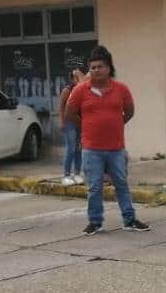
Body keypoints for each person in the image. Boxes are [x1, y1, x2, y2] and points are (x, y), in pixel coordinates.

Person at [64, 46, 150, 236]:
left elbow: (129, 111)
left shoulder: (121, 89)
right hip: (91, 148)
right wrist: (86, 125)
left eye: (100, 66)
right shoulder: (80, 90)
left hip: (116, 148)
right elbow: (69, 113)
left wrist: (116, 124)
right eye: (92, 67)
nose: (95, 70)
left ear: (109, 68)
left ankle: (129, 219)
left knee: (121, 184)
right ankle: (95, 222)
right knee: (94, 187)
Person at [58, 67, 85, 186]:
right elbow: (61, 107)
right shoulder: (67, 90)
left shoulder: (83, 89)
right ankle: (66, 174)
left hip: (80, 121)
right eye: (76, 77)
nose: (78, 79)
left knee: (79, 148)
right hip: (69, 122)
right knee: (71, 148)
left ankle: (77, 173)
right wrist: (62, 121)